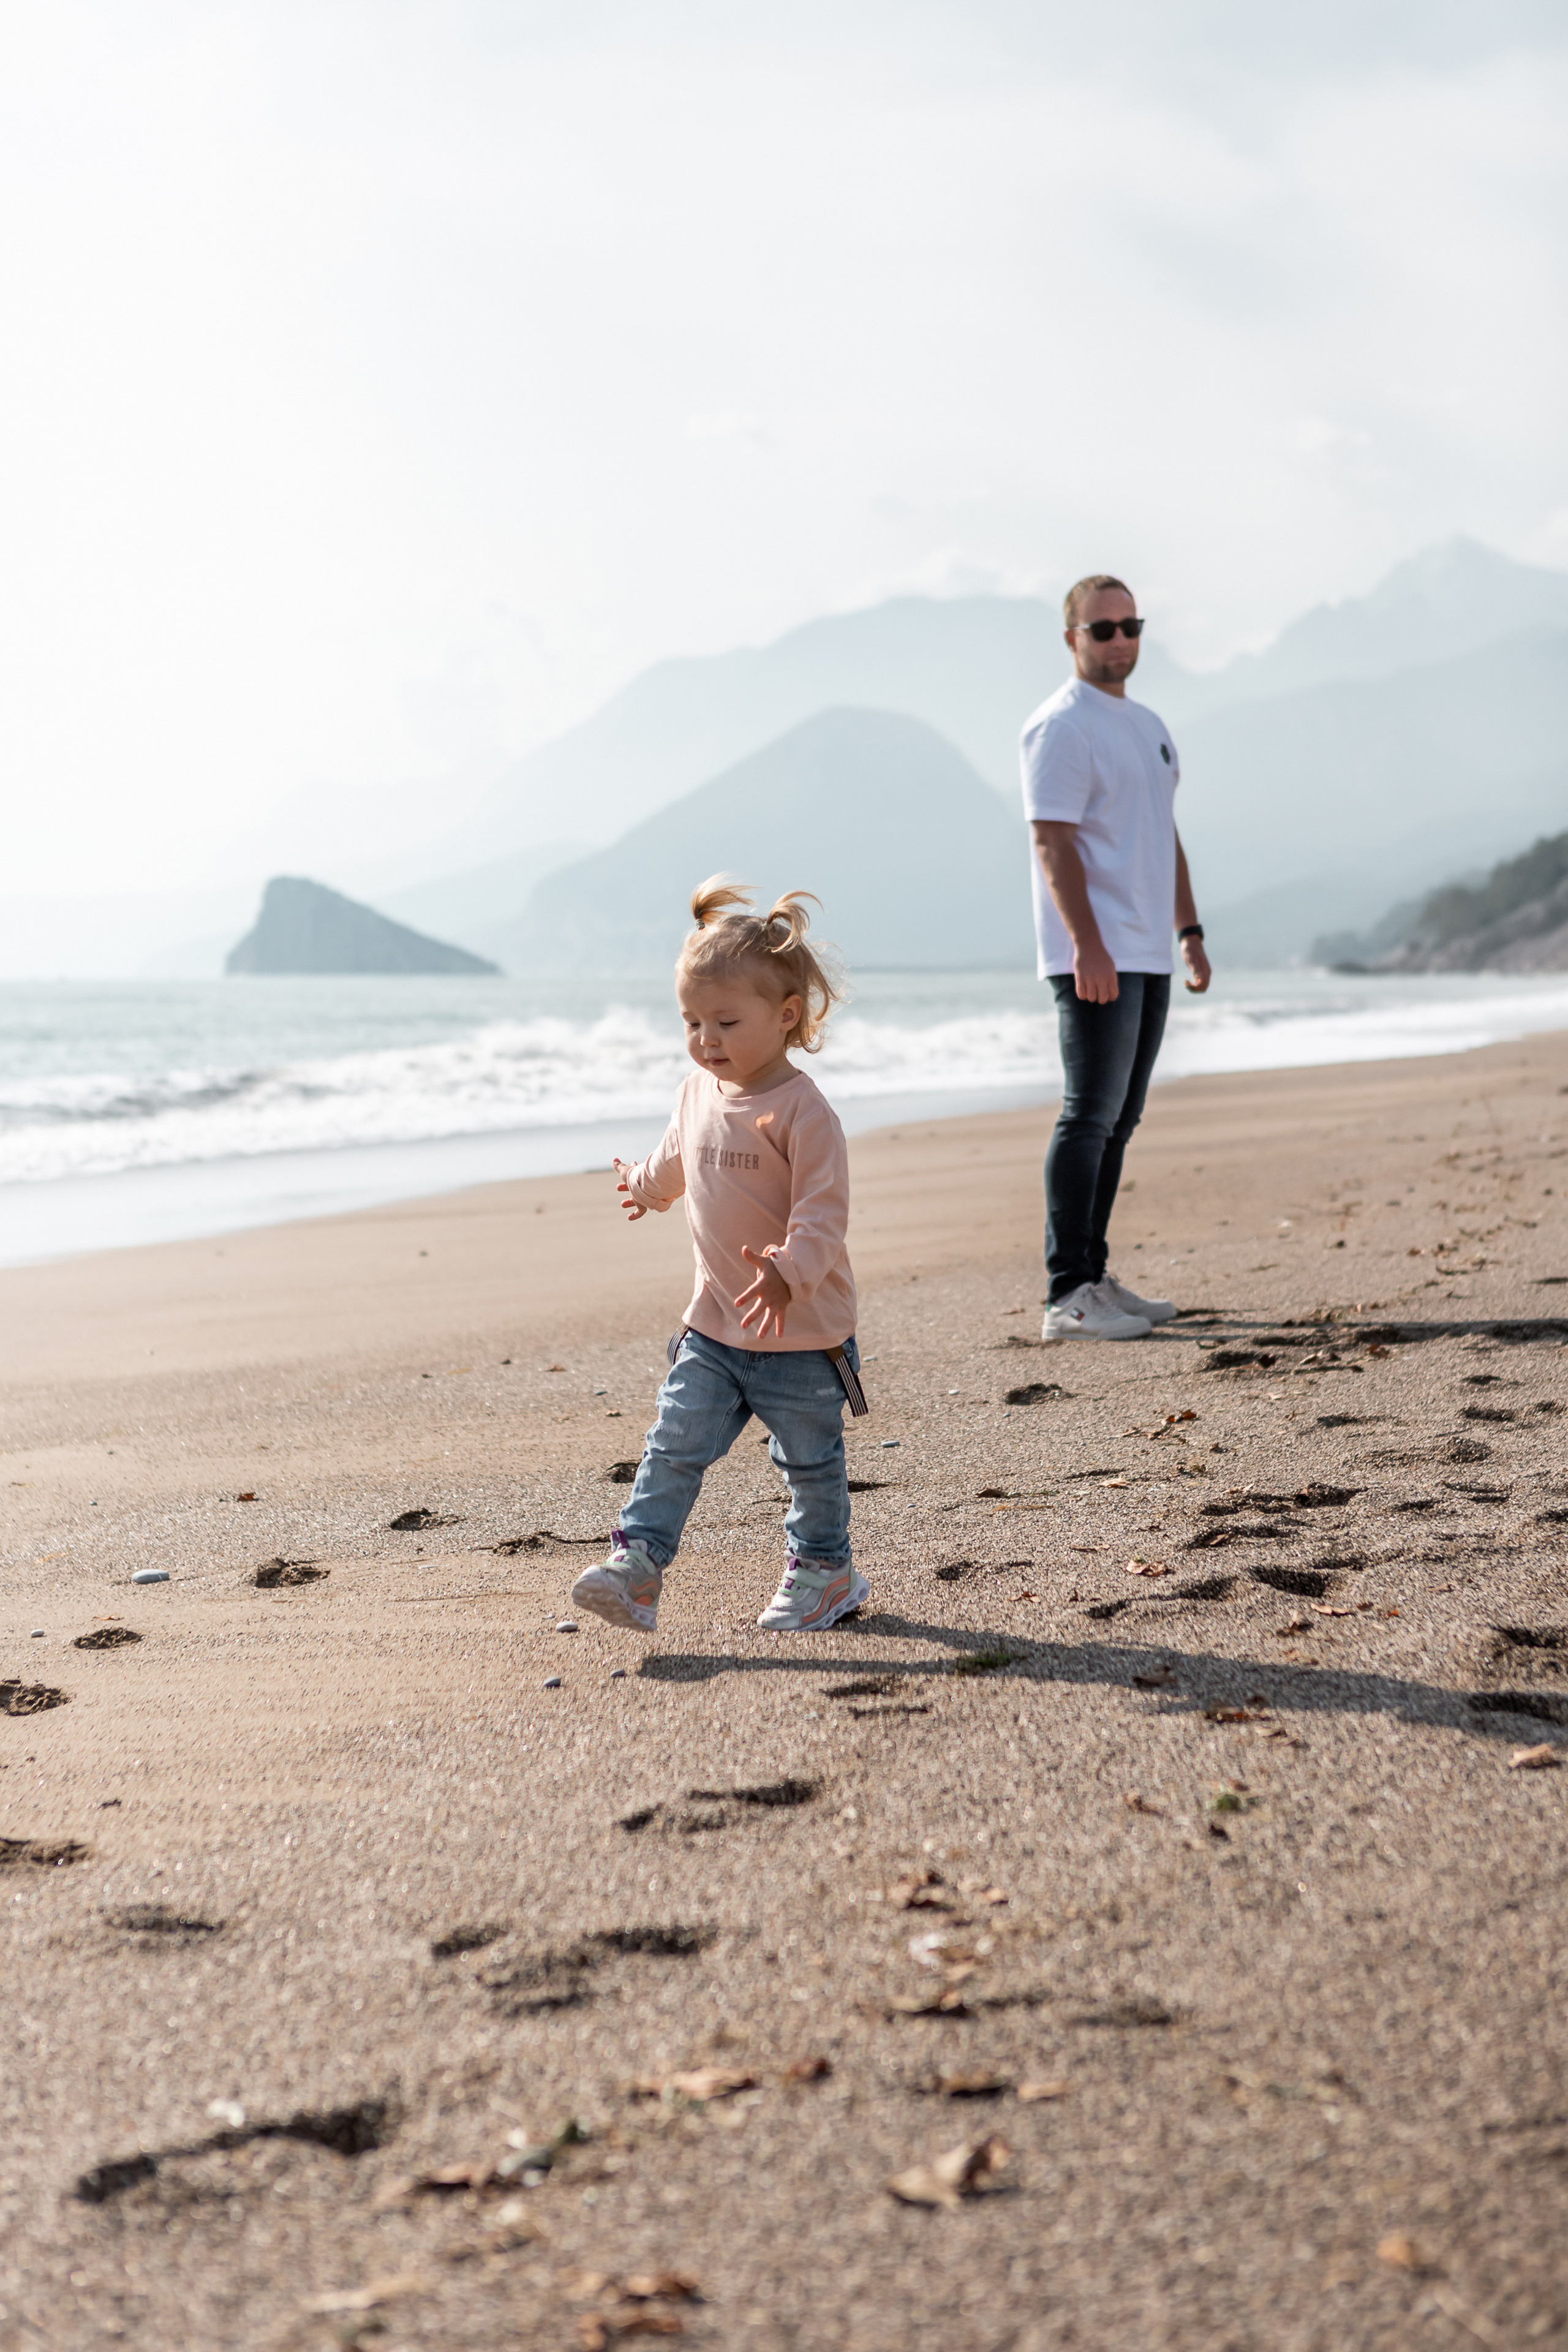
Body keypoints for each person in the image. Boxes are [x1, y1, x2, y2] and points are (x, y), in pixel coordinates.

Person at [571, 878, 870, 1636]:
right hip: (713, 1328)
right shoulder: (697, 1091)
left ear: (787, 1016)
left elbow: (823, 1213)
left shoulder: (803, 1113)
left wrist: (788, 1271)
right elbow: (679, 1158)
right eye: (692, 1021)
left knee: (808, 1466)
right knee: (672, 1445)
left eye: (726, 1021)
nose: (706, 1038)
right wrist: (644, 1186)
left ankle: (825, 1571)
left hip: (801, 1335)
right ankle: (636, 1566)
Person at [1021, 573, 1212, 1343]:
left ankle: (1095, 1276)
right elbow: (1051, 842)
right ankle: (1067, 1293)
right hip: (1093, 953)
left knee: (1120, 1120)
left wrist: (1189, 931)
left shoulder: (1149, 725)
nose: (1119, 641)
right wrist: (1087, 946)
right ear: (1071, 638)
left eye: (1130, 626)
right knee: (1087, 1115)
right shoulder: (1061, 727)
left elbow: (1162, 837)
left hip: (1147, 951)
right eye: (1101, 629)